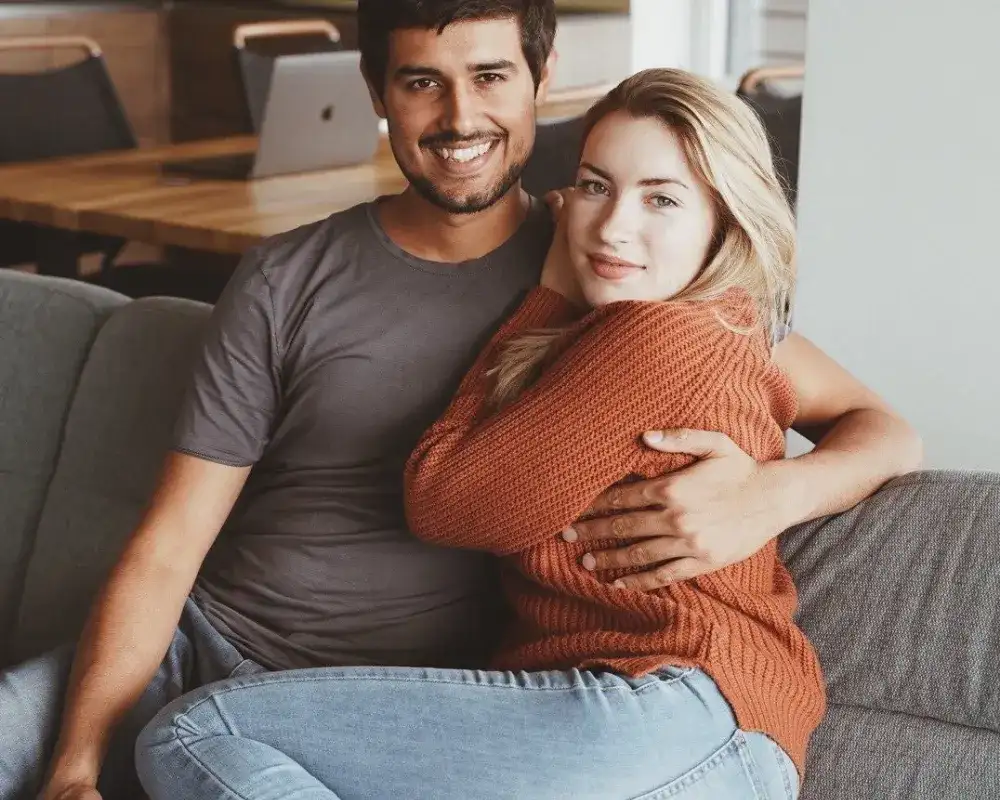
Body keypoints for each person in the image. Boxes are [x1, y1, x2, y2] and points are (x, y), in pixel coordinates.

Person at [0, 2, 920, 800]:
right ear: (376, 90)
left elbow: (878, 425)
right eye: (420, 83)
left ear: (541, 79)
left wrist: (779, 491)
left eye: (489, 75)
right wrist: (73, 770)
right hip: (218, 642)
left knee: (191, 742)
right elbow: (167, 546)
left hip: (479, 701)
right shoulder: (295, 276)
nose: (459, 115)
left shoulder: (625, 272)